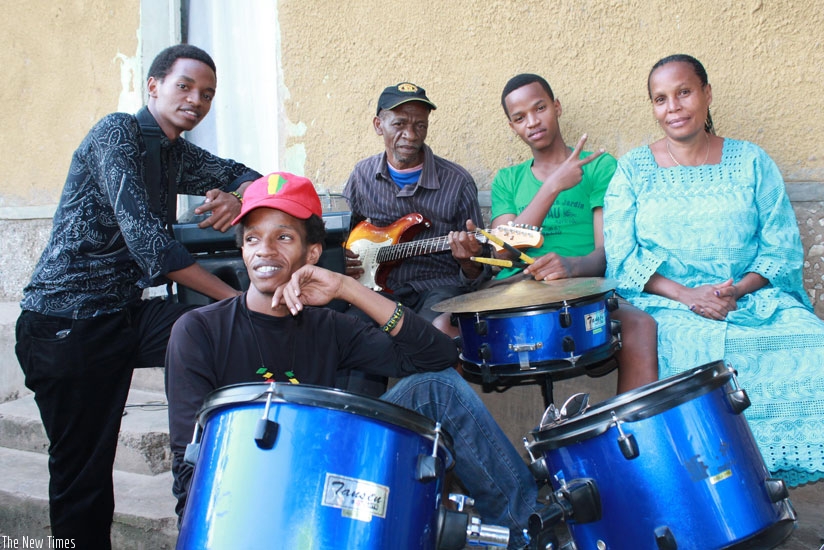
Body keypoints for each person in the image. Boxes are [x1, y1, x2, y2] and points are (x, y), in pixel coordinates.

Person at [165, 172, 540, 548]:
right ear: (243, 250)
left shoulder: (329, 327)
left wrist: (349, 288)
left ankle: (526, 529)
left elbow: (438, 356)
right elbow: (189, 464)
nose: (265, 250)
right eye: (252, 238)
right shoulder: (198, 331)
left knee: (436, 387)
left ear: (311, 253)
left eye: (283, 237)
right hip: (244, 499)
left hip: (327, 473)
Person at [14, 44, 261, 548]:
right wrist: (230, 298)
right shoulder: (117, 133)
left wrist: (238, 198)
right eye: (185, 86)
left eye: (208, 94)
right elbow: (147, 241)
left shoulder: (174, 152)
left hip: (124, 314)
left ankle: (198, 472)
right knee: (83, 478)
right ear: (153, 86)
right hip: (66, 326)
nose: (196, 100)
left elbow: (256, 178)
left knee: (219, 333)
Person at [603, 54, 824, 486]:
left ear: (706, 93)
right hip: (665, 304)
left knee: (812, 340)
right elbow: (623, 257)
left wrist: (736, 291)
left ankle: (769, 476)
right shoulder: (633, 170)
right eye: (660, 99)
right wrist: (688, 295)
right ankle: (705, 483)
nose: (674, 107)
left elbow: (780, 248)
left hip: (751, 300)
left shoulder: (752, 161)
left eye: (684, 92)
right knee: (688, 345)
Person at [444, 74, 658, 394]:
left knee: (640, 325)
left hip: (581, 289)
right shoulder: (508, 179)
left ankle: (637, 436)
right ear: (512, 127)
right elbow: (503, 251)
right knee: (442, 330)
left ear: (556, 107)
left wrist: (571, 266)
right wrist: (553, 185)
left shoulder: (599, 167)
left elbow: (607, 252)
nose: (532, 121)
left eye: (540, 108)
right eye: (519, 117)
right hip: (516, 292)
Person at [341, 82, 488, 394]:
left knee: (430, 338)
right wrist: (350, 261)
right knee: (347, 334)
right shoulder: (361, 176)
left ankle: (423, 423)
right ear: (378, 125)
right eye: (400, 124)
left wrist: (469, 261)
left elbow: (480, 268)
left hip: (436, 288)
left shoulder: (457, 182)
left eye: (420, 125)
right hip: (376, 289)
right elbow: (350, 236)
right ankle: (361, 420)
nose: (411, 134)